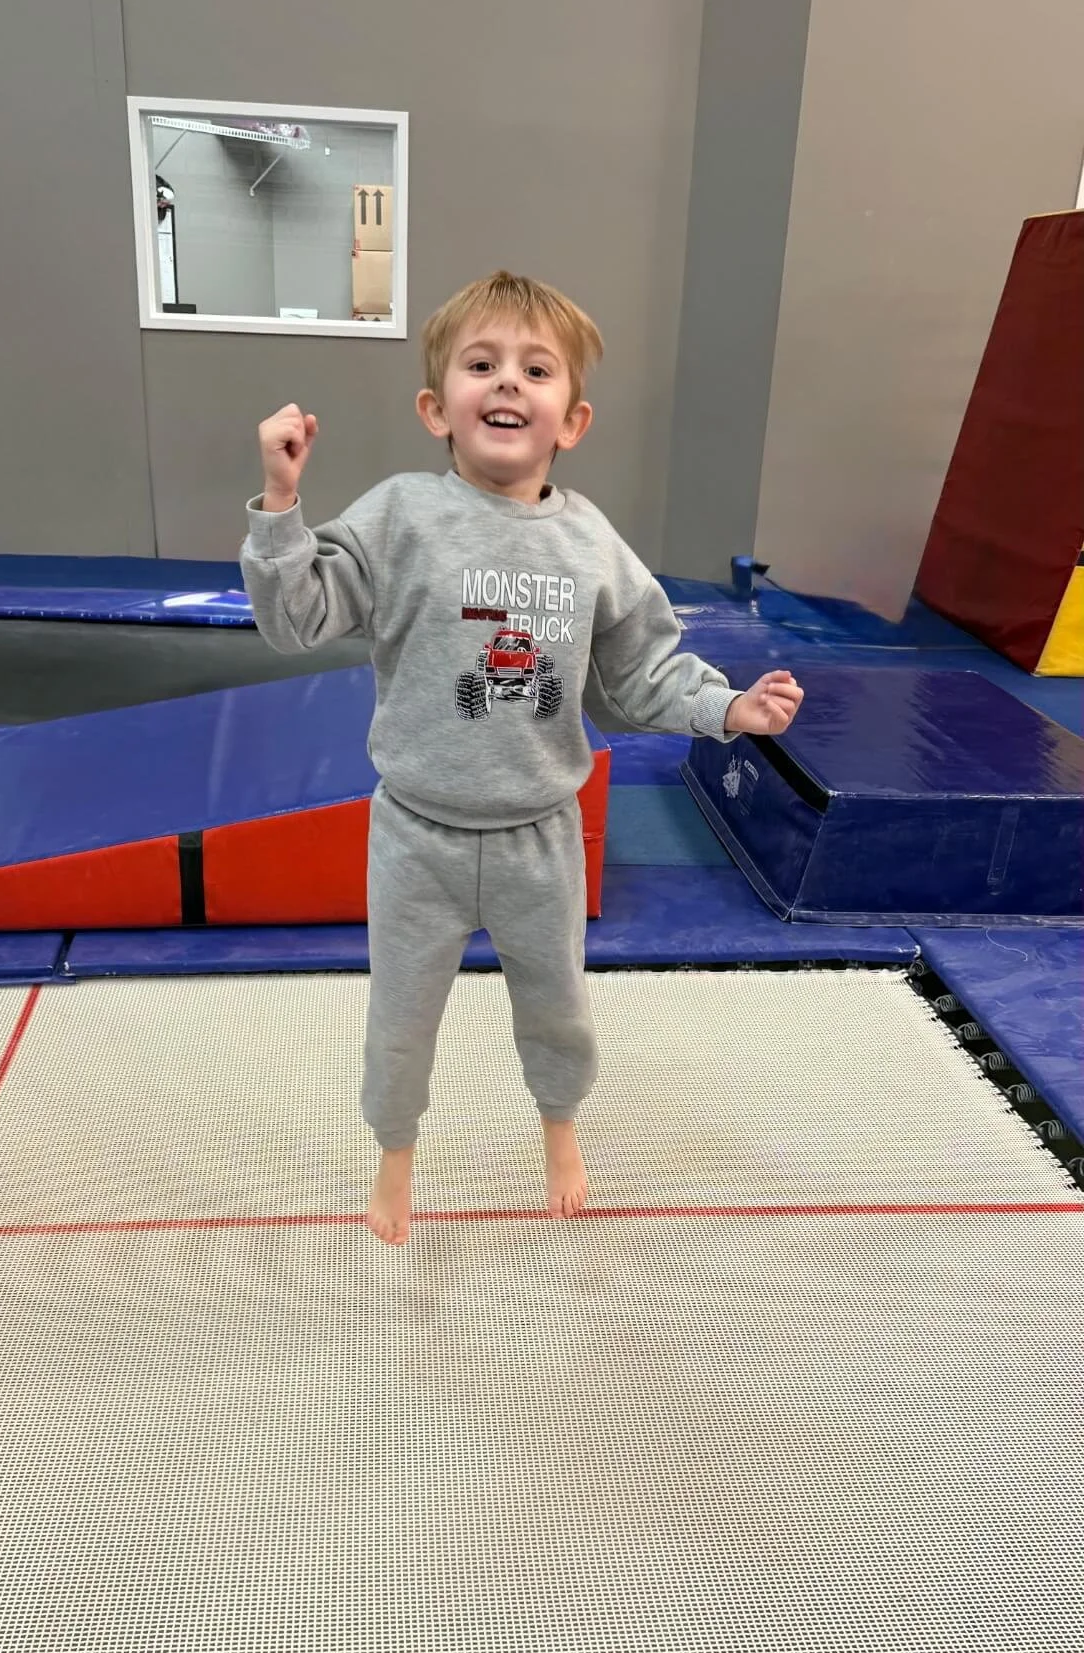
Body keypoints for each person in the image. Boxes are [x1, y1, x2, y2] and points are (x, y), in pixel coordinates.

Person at [240, 270, 803, 1247]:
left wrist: (728, 708)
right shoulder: (401, 516)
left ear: (571, 418)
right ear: (436, 407)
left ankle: (559, 1129)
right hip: (416, 833)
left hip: (540, 833)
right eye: (481, 364)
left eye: (534, 370)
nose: (506, 384)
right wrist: (282, 502)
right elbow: (296, 615)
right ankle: (395, 1160)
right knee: (401, 1019)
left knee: (559, 1010)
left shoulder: (590, 545)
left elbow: (640, 674)